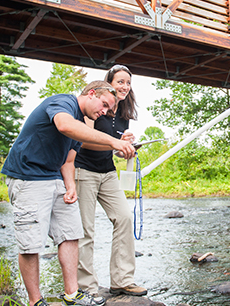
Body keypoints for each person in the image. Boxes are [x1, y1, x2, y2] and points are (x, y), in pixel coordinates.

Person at [1, 81, 136, 306]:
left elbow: (69, 160)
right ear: (91, 94)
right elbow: (64, 126)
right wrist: (114, 142)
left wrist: (70, 186)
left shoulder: (82, 124)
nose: (103, 112)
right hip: (27, 176)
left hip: (54, 176)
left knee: (71, 233)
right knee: (31, 243)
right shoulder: (63, 102)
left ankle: (72, 294)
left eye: (107, 110)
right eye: (103, 105)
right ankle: (35, 301)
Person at [75, 65, 147, 297]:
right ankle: (85, 287)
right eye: (120, 82)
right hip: (83, 170)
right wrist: (114, 143)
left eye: (128, 82)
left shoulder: (123, 113)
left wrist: (126, 147)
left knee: (124, 218)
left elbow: (113, 150)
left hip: (108, 172)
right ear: (109, 83)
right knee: (86, 230)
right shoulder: (96, 105)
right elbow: (83, 139)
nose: (125, 86)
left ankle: (122, 280)